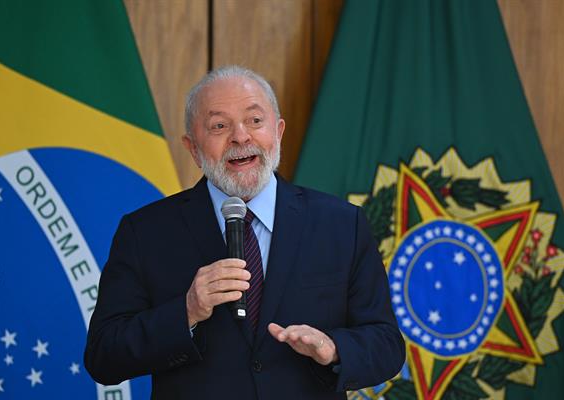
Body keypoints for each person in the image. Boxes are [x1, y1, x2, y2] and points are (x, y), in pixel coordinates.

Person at [84, 66, 405, 399]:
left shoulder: (342, 224)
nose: (241, 137)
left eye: (254, 120)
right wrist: (186, 311)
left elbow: (387, 345)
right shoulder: (144, 232)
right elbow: (103, 356)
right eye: (219, 126)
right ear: (193, 148)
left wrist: (334, 348)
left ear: (278, 131)